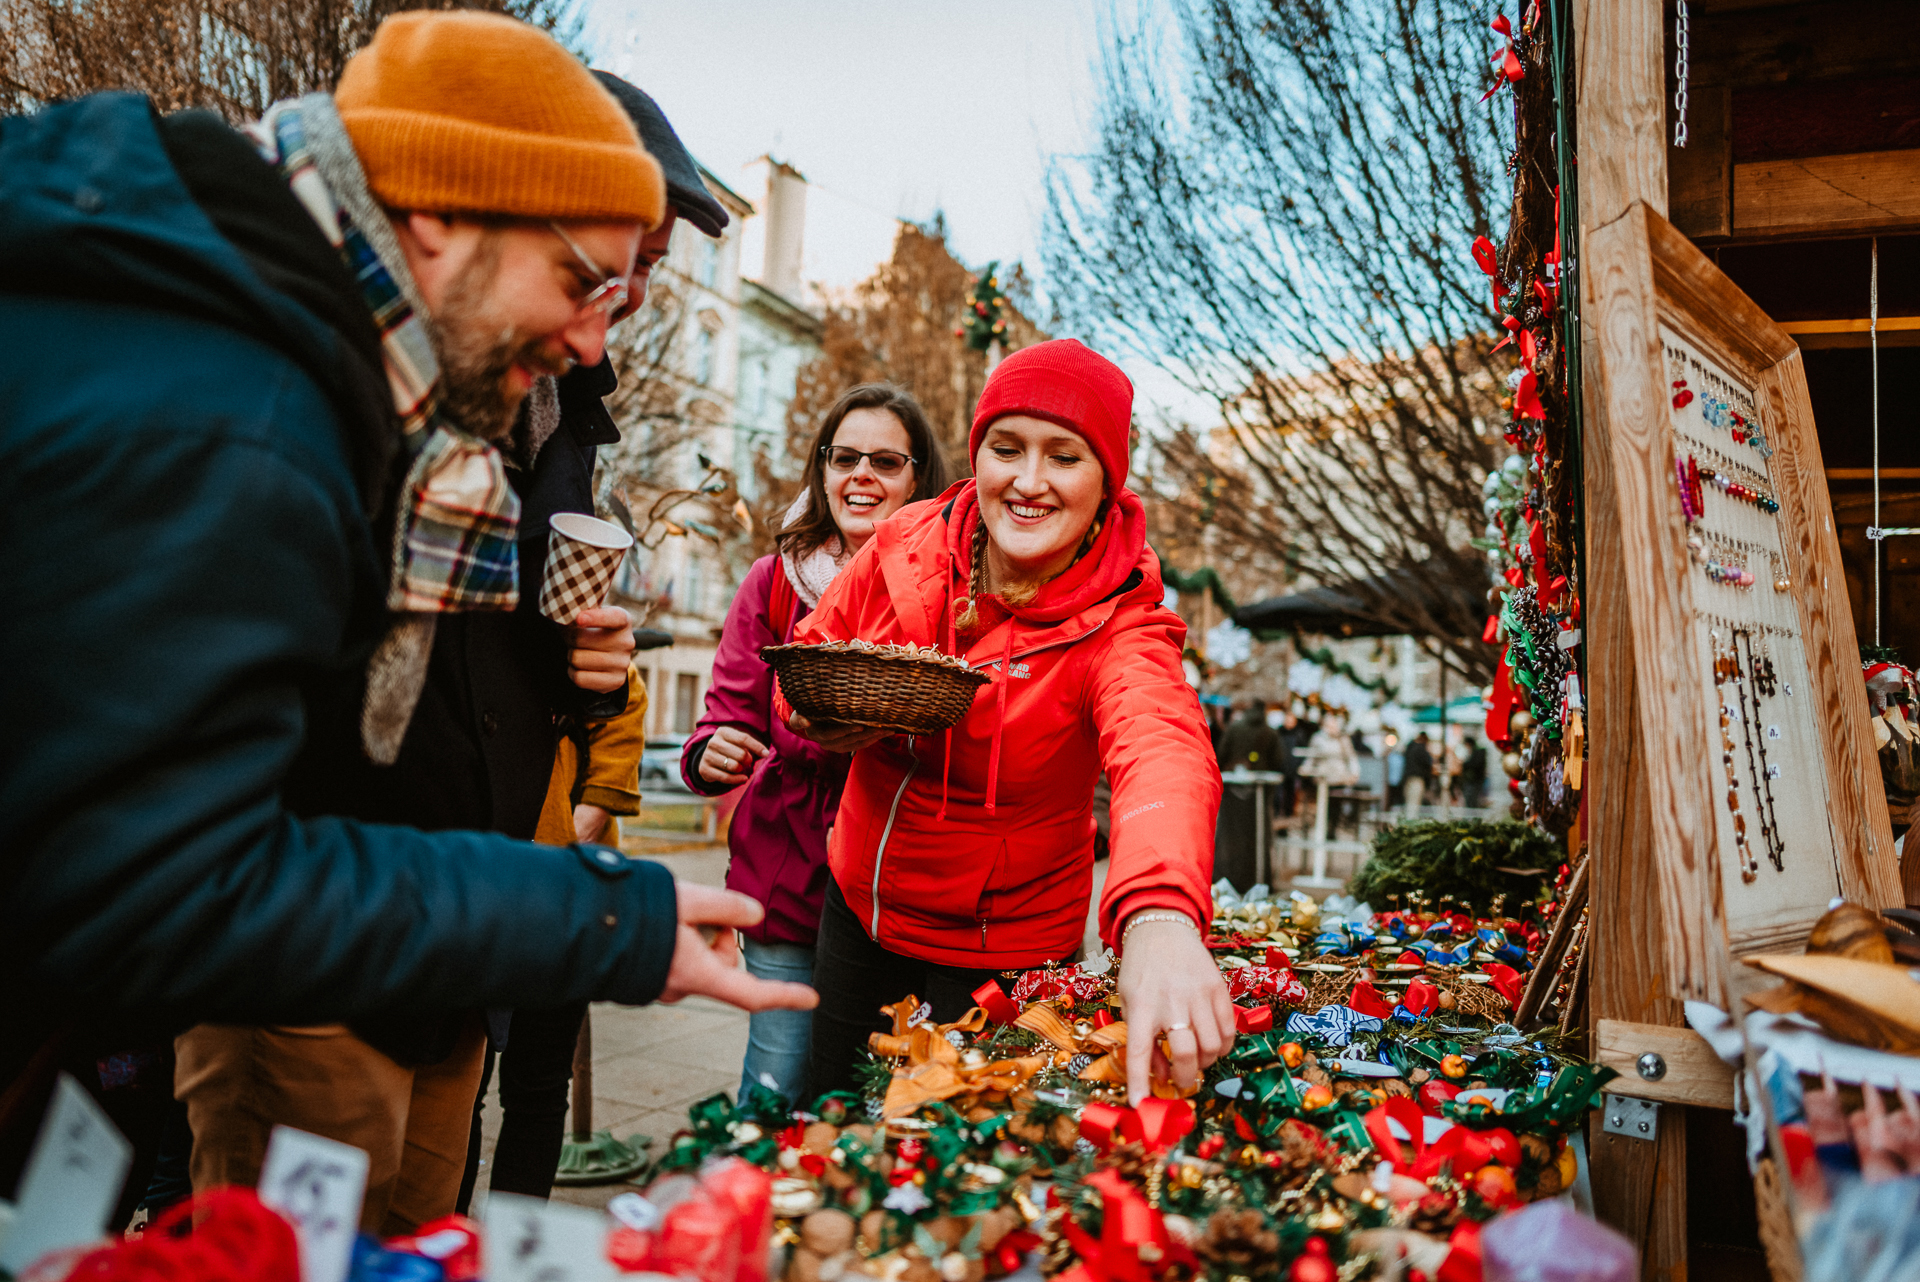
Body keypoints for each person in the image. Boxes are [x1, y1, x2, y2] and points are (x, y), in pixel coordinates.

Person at [0, 10, 812, 1206]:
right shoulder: (245, 416)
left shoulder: (240, 303)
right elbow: (185, 885)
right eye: (585, 278)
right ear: (436, 211)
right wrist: (594, 923)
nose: (596, 334)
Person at [788, 339, 1228, 1107]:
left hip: (1007, 947)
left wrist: (1159, 912)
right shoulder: (905, 544)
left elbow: (1162, 747)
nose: (1028, 482)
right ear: (976, 453)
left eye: (1064, 457)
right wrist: (815, 714)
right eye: (1007, 448)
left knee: (961, 1165)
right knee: (828, 1116)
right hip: (862, 910)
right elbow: (809, 660)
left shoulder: (1123, 621)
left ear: (1105, 482)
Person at [677, 385, 950, 1109]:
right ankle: (750, 1209)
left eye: (886, 460)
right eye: (845, 456)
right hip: (790, 870)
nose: (862, 474)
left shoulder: (950, 593)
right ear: (822, 469)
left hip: (899, 881)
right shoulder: (773, 583)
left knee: (874, 1093)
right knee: (777, 1079)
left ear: (918, 479)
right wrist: (712, 751)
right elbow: (727, 713)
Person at [1214, 698, 1281, 891]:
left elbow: (1221, 754)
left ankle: (1226, 878)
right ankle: (1259, 881)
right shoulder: (1269, 732)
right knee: (1259, 836)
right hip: (1258, 796)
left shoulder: (1235, 729)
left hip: (1233, 794)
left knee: (1229, 835)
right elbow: (1278, 760)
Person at [1403, 730, 1435, 817]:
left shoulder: (1409, 748)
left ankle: (1407, 823)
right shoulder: (1422, 750)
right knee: (1414, 805)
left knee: (1409, 804)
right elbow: (1428, 766)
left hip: (1408, 779)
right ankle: (1410, 825)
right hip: (1417, 780)